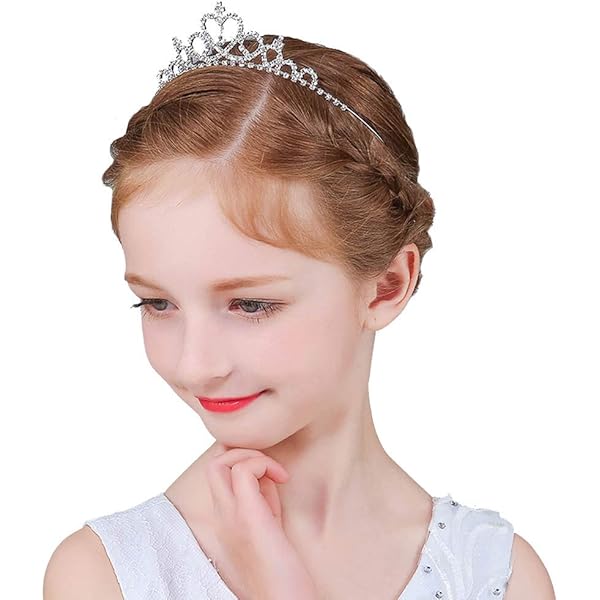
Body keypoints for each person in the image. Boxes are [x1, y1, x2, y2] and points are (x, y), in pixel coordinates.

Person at [43, 2, 555, 599]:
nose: (194, 364)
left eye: (250, 305)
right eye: (157, 304)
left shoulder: (496, 575)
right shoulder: (105, 576)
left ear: (387, 286)